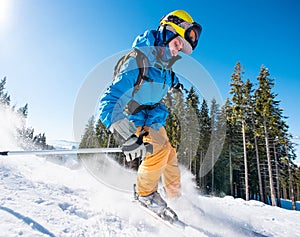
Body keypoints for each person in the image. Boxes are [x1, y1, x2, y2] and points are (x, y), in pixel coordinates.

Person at [99, 10, 201, 215]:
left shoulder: (164, 67)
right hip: (133, 117)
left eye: (181, 47)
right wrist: (125, 134)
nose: (177, 51)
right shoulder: (136, 61)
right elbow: (109, 101)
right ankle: (145, 195)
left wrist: (176, 85)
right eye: (177, 43)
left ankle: (175, 196)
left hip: (152, 118)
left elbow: (167, 78)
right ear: (168, 31)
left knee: (170, 154)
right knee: (159, 151)